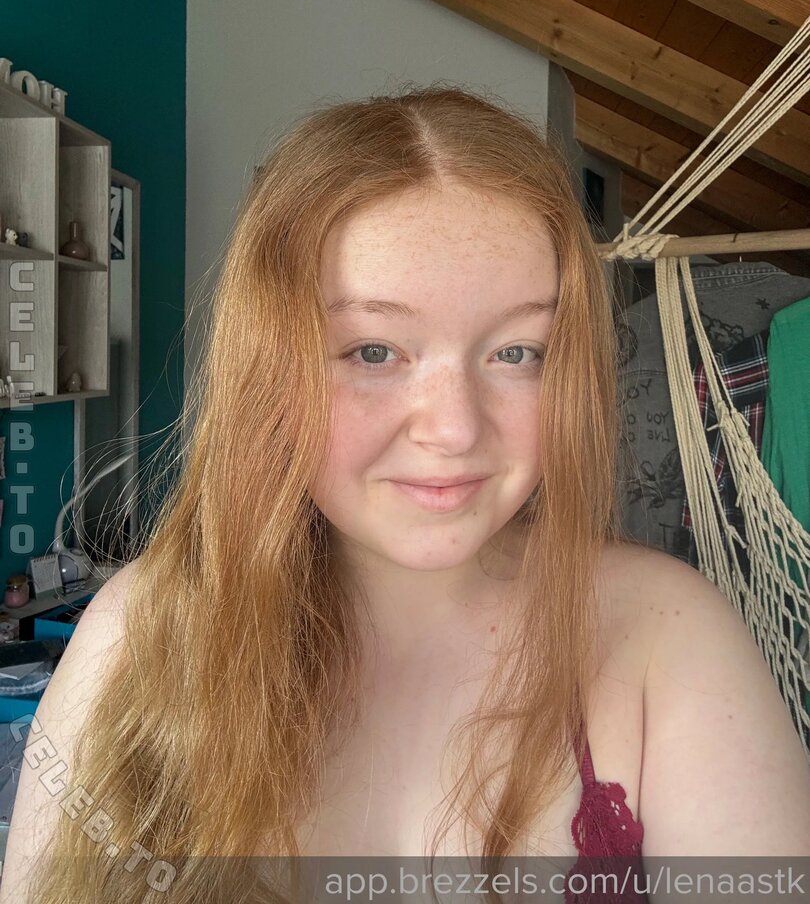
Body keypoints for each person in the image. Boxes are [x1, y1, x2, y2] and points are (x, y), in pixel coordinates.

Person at [2, 86, 808, 904]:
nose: (454, 429)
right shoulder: (137, 637)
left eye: (517, 352)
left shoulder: (666, 636)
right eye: (374, 351)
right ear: (267, 370)